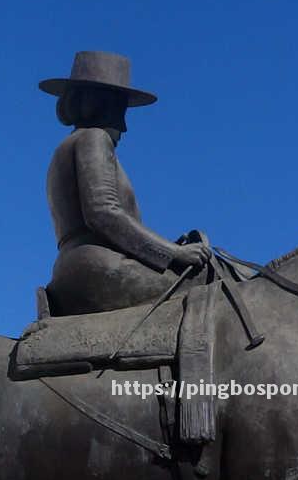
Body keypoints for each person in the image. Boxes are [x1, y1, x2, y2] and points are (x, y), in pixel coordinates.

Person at [40, 51, 209, 316]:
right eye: (122, 108)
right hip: (99, 268)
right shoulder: (94, 138)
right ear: (109, 105)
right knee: (209, 276)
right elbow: (103, 212)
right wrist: (173, 252)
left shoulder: (65, 147)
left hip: (73, 267)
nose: (125, 125)